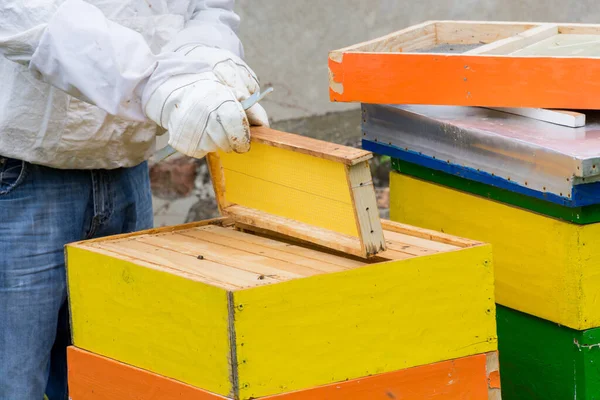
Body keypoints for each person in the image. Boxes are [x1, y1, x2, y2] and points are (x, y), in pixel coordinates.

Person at [0, 1, 269, 398]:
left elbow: (208, 9)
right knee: (15, 382)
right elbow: (25, 14)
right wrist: (160, 85)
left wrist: (206, 58)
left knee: (114, 377)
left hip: (127, 171)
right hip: (24, 179)